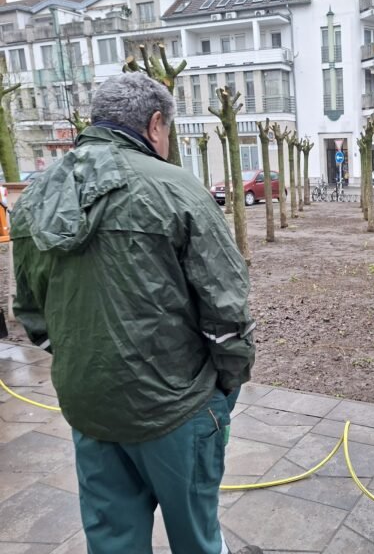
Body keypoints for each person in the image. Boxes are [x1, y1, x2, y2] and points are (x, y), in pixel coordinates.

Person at [11, 73, 262, 554]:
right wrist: (225, 389)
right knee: (196, 538)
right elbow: (228, 312)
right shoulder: (178, 189)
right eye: (168, 131)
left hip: (90, 408)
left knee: (113, 540)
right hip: (176, 407)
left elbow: (31, 313)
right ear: (154, 125)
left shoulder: (34, 199)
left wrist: (83, 365)